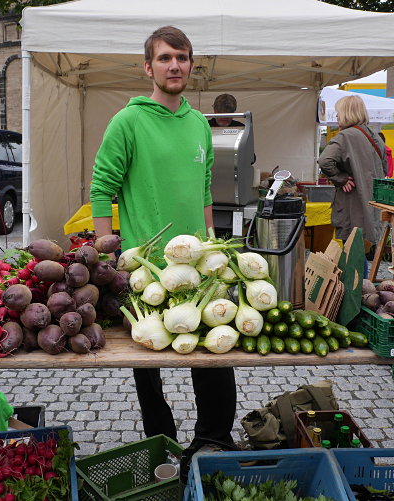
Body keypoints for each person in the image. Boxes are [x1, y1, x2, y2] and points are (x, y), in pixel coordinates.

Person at [89, 26, 237, 448]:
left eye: (183, 57)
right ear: (147, 67)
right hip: (144, 267)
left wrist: (211, 243)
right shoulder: (128, 121)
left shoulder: (199, 125)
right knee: (146, 361)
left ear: (191, 65)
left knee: (212, 354)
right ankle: (161, 440)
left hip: (199, 265)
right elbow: (102, 189)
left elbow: (205, 190)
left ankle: (213, 439)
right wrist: (106, 259)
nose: (175, 65)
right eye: (165, 58)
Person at [317, 95, 387, 248]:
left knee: (352, 252)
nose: (336, 116)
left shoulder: (345, 136)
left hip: (352, 205)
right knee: (362, 250)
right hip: (374, 205)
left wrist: (341, 179)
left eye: (339, 112)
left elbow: (324, 161)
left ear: (347, 113)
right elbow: (384, 169)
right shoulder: (375, 136)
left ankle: (356, 274)